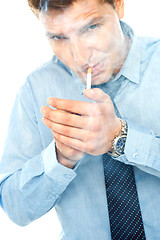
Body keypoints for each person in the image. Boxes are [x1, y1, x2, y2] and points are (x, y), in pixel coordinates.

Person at [0, 0, 160, 239]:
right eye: (58, 38)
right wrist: (60, 157)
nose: (80, 57)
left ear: (118, 5)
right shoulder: (36, 89)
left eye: (91, 27)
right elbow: (17, 210)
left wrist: (120, 137)